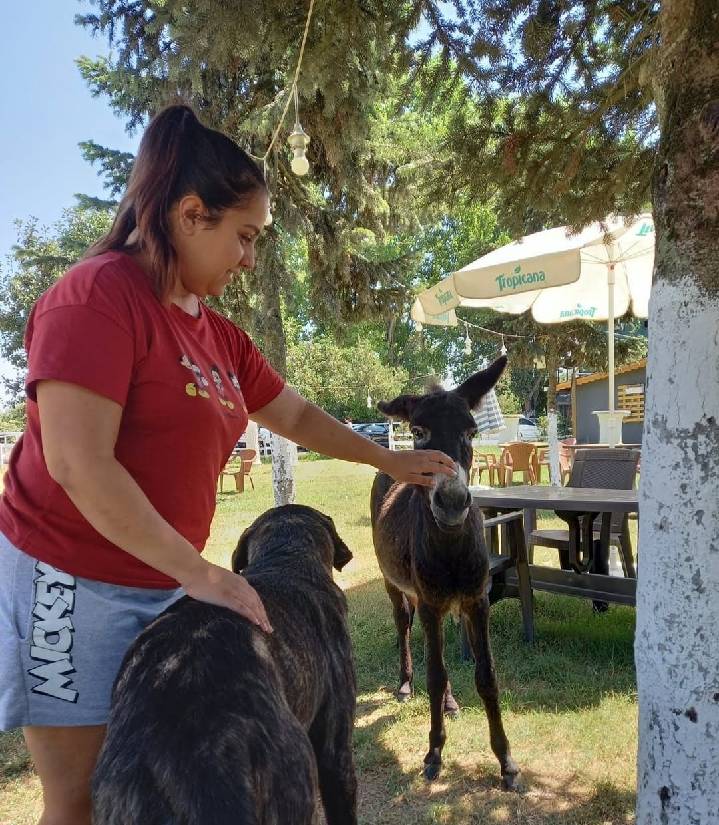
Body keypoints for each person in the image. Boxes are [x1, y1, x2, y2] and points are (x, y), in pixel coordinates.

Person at [0, 104, 455, 825]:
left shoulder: (219, 335)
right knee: (83, 796)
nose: (249, 258)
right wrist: (202, 573)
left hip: (165, 576)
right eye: (244, 236)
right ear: (190, 214)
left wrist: (389, 460)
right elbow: (78, 464)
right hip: (69, 580)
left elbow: (295, 416)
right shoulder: (93, 298)